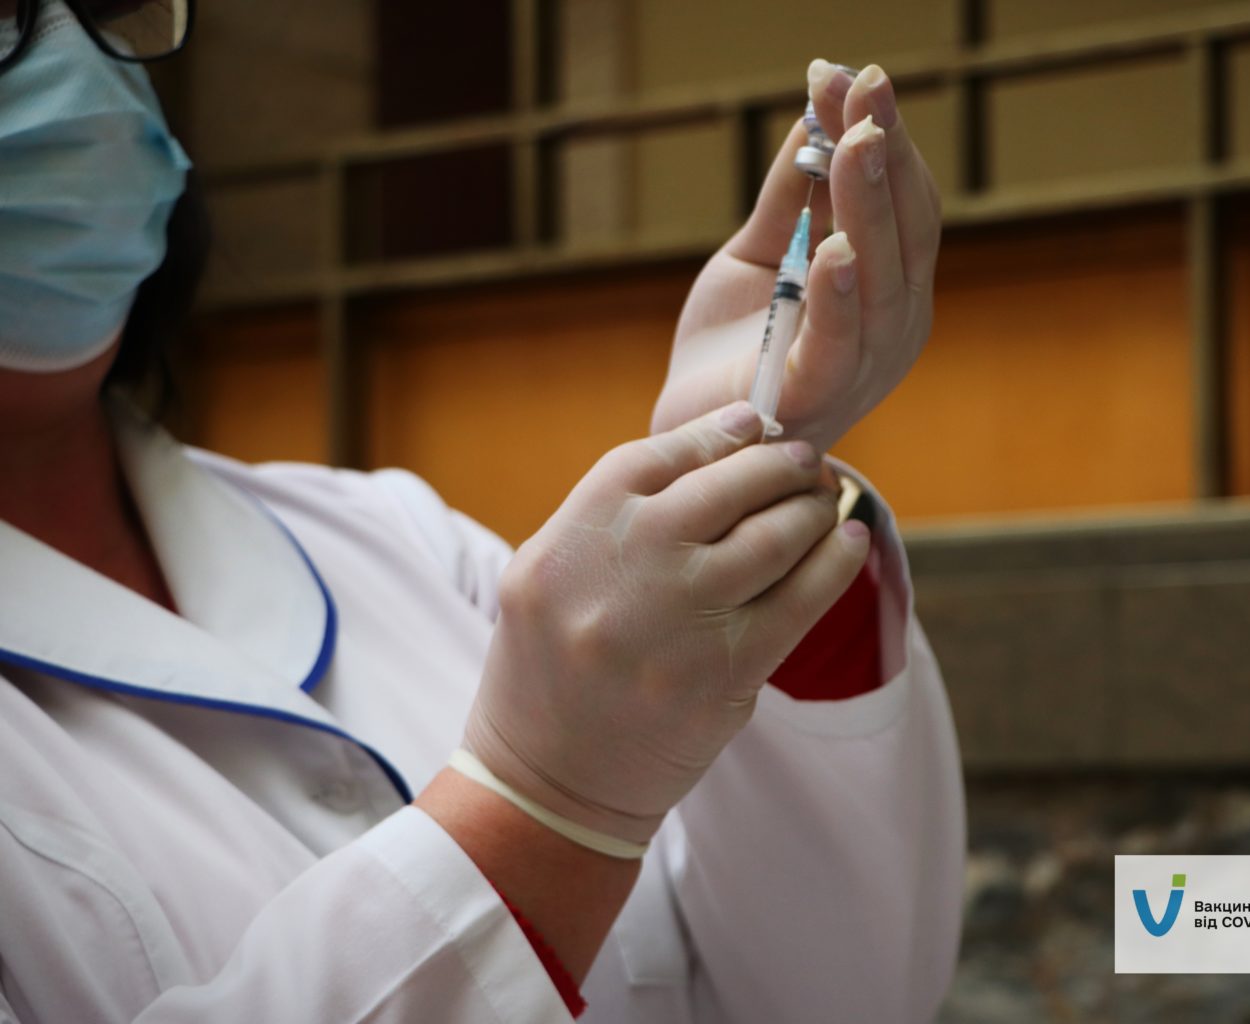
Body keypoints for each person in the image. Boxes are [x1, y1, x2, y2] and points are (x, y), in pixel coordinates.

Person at [0, 2, 964, 1021]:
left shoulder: (401, 539)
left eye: (98, 5)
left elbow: (842, 993)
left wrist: (748, 481)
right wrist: (540, 811)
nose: (71, 66)